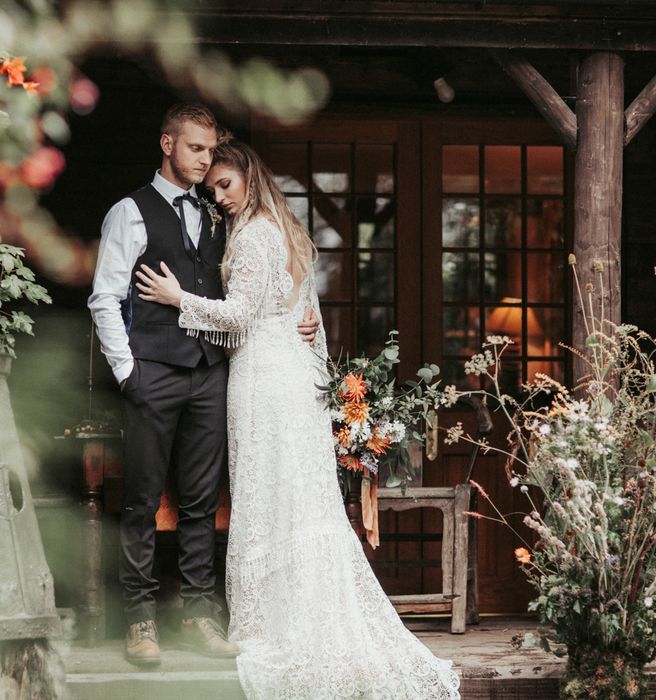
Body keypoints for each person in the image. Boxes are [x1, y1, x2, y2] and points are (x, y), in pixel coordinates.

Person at [137, 139, 461, 698]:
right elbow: (308, 317)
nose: (219, 198)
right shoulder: (284, 231)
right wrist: (312, 360)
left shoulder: (257, 234)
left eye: (225, 185)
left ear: (250, 177)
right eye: (211, 189)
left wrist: (176, 297)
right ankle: (302, 611)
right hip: (291, 373)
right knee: (295, 499)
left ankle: (277, 624)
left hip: (263, 376)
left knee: (267, 496)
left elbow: (238, 316)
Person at [88, 104, 319, 667]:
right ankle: (141, 620)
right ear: (167, 143)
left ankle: (197, 614)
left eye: (211, 152)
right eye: (195, 149)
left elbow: (263, 289)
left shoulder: (223, 214)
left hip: (212, 375)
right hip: (154, 372)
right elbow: (105, 297)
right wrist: (128, 373)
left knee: (200, 504)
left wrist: (298, 321)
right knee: (142, 501)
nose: (205, 161)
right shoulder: (131, 212)